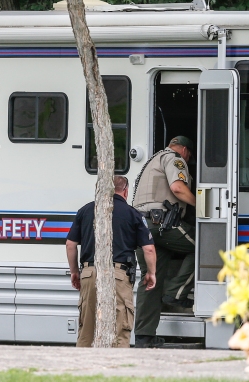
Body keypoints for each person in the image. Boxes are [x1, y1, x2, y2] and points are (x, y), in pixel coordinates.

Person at [66, 175, 157, 347]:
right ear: (125, 191)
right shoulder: (133, 214)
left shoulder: (85, 210)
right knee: (120, 330)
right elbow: (149, 249)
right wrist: (151, 273)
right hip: (118, 275)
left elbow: (71, 244)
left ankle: (80, 370)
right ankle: (117, 369)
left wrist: (75, 272)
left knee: (87, 329)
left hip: (89, 273)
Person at [131, 135, 196, 348]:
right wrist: (200, 206)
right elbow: (177, 188)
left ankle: (144, 336)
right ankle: (175, 294)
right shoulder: (175, 159)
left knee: (151, 279)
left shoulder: (153, 160)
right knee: (205, 247)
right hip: (162, 225)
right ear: (185, 150)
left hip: (142, 228)